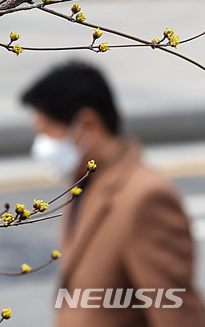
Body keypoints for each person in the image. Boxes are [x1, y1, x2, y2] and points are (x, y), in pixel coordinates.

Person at [20, 61, 205, 327]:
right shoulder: (85, 183)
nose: (41, 147)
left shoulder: (146, 198)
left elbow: (176, 314)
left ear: (87, 124)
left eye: (47, 132)